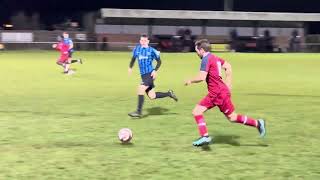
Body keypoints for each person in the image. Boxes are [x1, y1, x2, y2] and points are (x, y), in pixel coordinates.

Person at [185, 39, 266, 147]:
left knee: (196, 111)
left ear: (202, 50)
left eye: (197, 51)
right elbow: (228, 66)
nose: (196, 53)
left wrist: (190, 80)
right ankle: (258, 123)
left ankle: (205, 137)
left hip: (216, 93)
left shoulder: (205, 59)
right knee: (232, 117)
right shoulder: (215, 58)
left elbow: (201, 77)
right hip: (222, 92)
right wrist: (228, 83)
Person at [128, 34, 178, 118]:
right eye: (141, 40)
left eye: (144, 41)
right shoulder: (137, 49)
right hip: (143, 75)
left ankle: (138, 112)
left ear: (148, 41)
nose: (143, 42)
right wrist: (130, 67)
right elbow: (133, 59)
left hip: (150, 74)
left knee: (140, 89)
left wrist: (155, 70)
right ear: (140, 41)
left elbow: (159, 62)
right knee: (152, 96)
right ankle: (169, 93)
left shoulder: (152, 51)